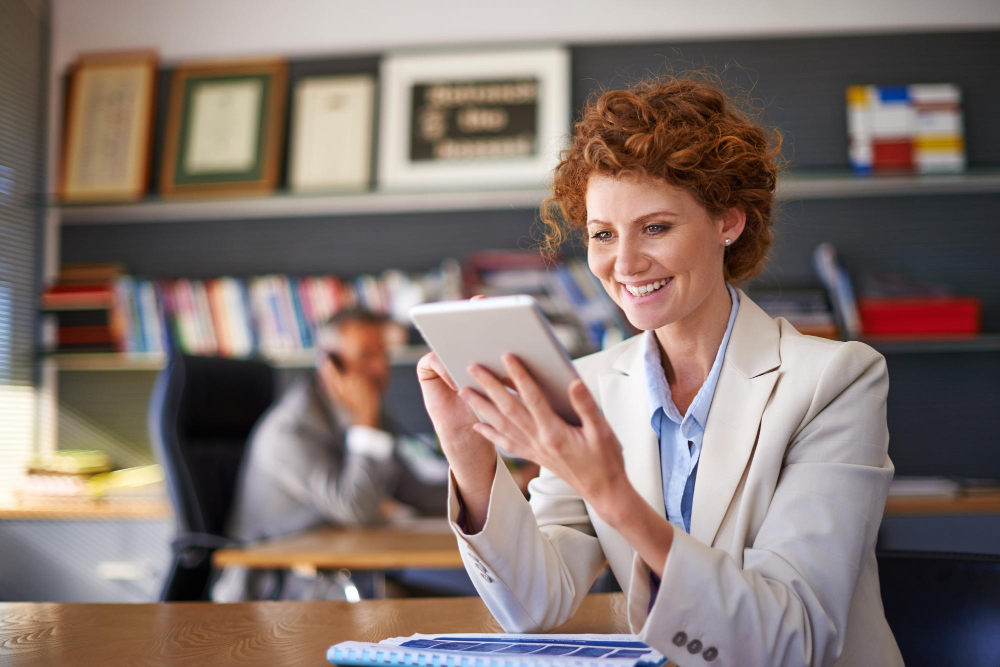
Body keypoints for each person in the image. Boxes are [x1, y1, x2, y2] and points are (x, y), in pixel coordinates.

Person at [416, 76, 903, 666]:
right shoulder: (589, 384)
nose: (624, 264)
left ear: (728, 221)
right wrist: (469, 453)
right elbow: (534, 606)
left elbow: (790, 637)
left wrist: (608, 490)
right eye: (603, 235)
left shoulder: (835, 381)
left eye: (655, 227)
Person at [213, 308, 448, 601]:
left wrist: (501, 484)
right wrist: (366, 423)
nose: (380, 369)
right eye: (366, 356)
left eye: (383, 355)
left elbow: (415, 493)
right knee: (421, 610)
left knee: (466, 606)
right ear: (330, 364)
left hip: (342, 573)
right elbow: (356, 509)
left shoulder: (369, 418)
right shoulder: (290, 430)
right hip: (276, 587)